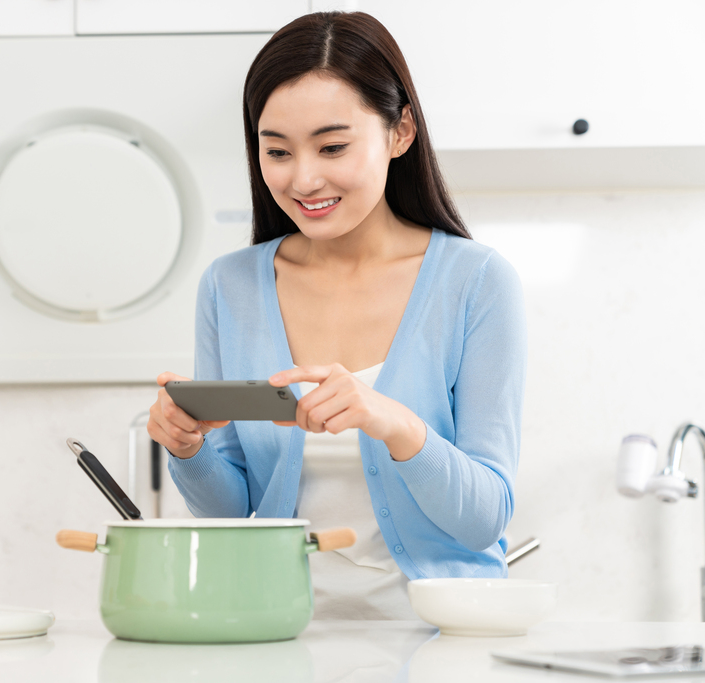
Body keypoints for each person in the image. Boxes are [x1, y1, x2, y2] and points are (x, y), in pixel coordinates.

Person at [147, 11, 526, 619]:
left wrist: (392, 422)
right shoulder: (231, 286)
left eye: (332, 146)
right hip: (276, 632)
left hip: (439, 636)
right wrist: (188, 449)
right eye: (277, 151)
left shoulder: (476, 282)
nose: (303, 178)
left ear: (400, 132)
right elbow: (231, 510)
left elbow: (484, 519)